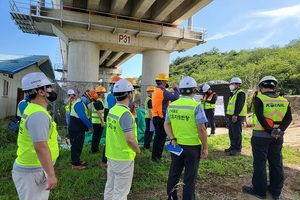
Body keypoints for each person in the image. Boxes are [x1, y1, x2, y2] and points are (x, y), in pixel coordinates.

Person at [243, 75, 292, 199]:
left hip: (261, 136)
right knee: (276, 163)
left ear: (261, 86)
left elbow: (260, 116)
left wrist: (270, 130)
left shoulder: (260, 98)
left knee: (260, 163)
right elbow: (288, 118)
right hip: (277, 137)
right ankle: (276, 192)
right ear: (274, 86)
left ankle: (260, 191)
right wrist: (279, 130)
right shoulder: (283, 100)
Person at [12, 72, 59, 199]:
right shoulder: (38, 115)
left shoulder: (35, 109)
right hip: (32, 170)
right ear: (41, 92)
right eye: (49, 87)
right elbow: (40, 146)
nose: (52, 90)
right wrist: (50, 174)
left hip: (34, 167)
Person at [164, 76, 208, 200]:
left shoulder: (172, 105)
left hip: (176, 145)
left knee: (174, 173)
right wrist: (205, 147)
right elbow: (201, 129)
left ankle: (172, 198)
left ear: (181, 90)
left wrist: (172, 139)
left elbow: (166, 124)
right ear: (194, 90)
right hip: (192, 147)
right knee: (189, 177)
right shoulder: (196, 106)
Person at [104, 79, 140, 200]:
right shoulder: (125, 114)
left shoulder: (112, 110)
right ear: (129, 94)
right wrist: (137, 150)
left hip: (111, 154)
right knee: (121, 193)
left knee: (110, 186)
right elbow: (130, 139)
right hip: (123, 157)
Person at [151, 73, 180, 162]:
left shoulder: (156, 91)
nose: (167, 83)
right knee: (161, 139)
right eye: (166, 81)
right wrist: (176, 88)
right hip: (161, 118)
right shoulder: (162, 91)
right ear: (163, 82)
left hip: (156, 117)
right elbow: (175, 97)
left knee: (157, 138)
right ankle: (157, 158)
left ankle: (155, 157)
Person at [69, 90, 93, 169]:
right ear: (87, 97)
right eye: (90, 99)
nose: (90, 101)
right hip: (76, 129)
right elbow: (82, 117)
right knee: (76, 146)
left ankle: (77, 161)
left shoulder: (81, 103)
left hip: (78, 128)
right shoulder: (79, 104)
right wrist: (89, 126)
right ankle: (75, 164)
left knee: (79, 145)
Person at [102, 75, 121, 166]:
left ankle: (106, 159)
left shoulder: (111, 94)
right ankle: (105, 160)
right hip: (110, 114)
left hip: (109, 114)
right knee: (110, 137)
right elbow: (112, 109)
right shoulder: (111, 95)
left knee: (110, 137)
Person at [225, 77, 247, 156]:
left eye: (232, 84)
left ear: (237, 84)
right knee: (232, 132)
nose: (230, 85)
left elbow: (239, 105)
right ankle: (233, 146)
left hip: (237, 116)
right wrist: (229, 115)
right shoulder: (233, 93)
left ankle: (237, 149)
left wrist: (235, 115)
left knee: (237, 133)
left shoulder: (240, 93)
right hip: (232, 116)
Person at [90, 87, 106, 153]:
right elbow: (99, 112)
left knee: (96, 136)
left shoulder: (98, 101)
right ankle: (94, 150)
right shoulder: (98, 101)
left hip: (97, 122)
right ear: (99, 93)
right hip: (98, 122)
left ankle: (95, 149)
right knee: (96, 137)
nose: (104, 94)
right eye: (103, 93)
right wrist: (102, 122)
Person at [144, 85, 155, 150]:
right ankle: (147, 146)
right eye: (152, 92)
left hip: (148, 117)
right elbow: (150, 110)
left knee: (148, 132)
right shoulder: (150, 100)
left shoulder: (149, 99)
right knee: (149, 132)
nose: (153, 93)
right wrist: (152, 118)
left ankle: (147, 145)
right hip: (149, 118)